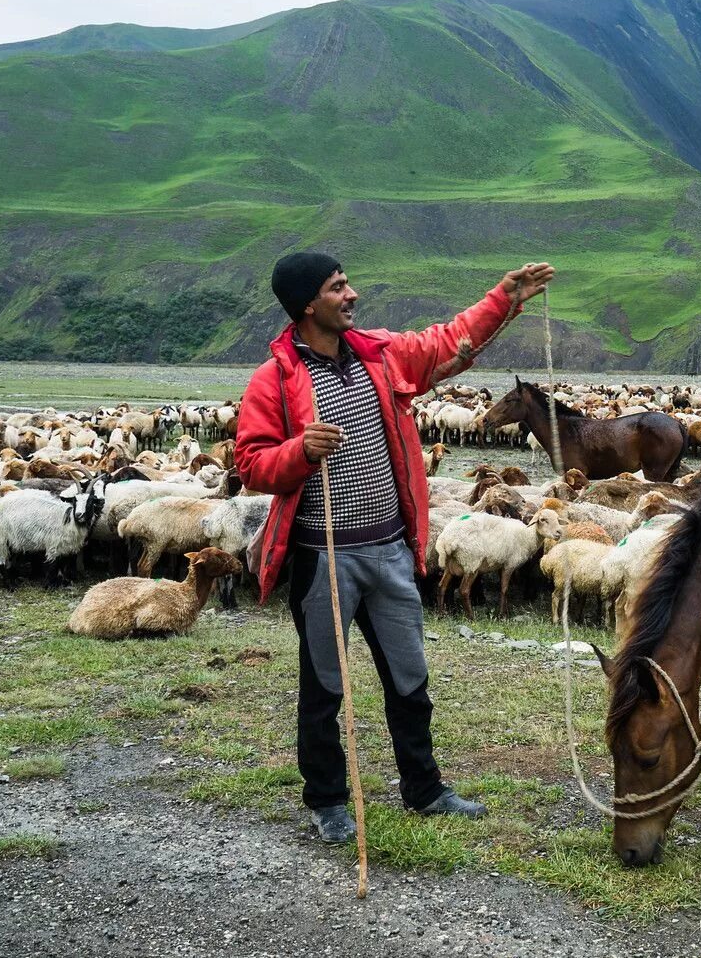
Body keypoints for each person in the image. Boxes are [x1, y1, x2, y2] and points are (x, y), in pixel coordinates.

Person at [235, 252, 554, 842]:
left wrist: (503, 297)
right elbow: (251, 464)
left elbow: (448, 340)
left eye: (347, 282)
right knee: (325, 682)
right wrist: (300, 450)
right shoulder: (274, 380)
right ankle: (328, 799)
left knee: (410, 675)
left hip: (387, 548)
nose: (351, 294)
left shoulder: (378, 356)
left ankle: (424, 788)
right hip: (323, 555)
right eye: (338, 287)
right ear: (309, 304)